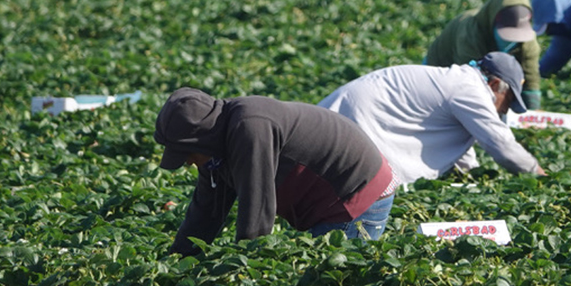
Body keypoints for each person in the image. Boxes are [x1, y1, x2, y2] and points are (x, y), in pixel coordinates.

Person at [155, 87, 398, 256]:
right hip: (331, 199)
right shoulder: (216, 146)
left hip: (356, 194)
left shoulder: (250, 128)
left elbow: (256, 214)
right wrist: (179, 261)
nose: (188, 163)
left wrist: (245, 274)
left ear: (200, 141)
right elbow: (207, 210)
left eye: (187, 154)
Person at [320, 52, 544, 189]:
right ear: (495, 85)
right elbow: (501, 144)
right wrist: (538, 174)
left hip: (355, 107)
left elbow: (458, 143)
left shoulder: (461, 82)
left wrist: (469, 176)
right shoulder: (469, 89)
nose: (505, 109)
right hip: (361, 115)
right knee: (355, 182)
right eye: (508, 100)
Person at [425, 0, 543, 110]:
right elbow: (467, 81)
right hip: (442, 69)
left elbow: (531, 77)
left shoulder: (526, 38)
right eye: (507, 33)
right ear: (492, 20)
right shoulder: (470, 32)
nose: (512, 39)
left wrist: (531, 112)